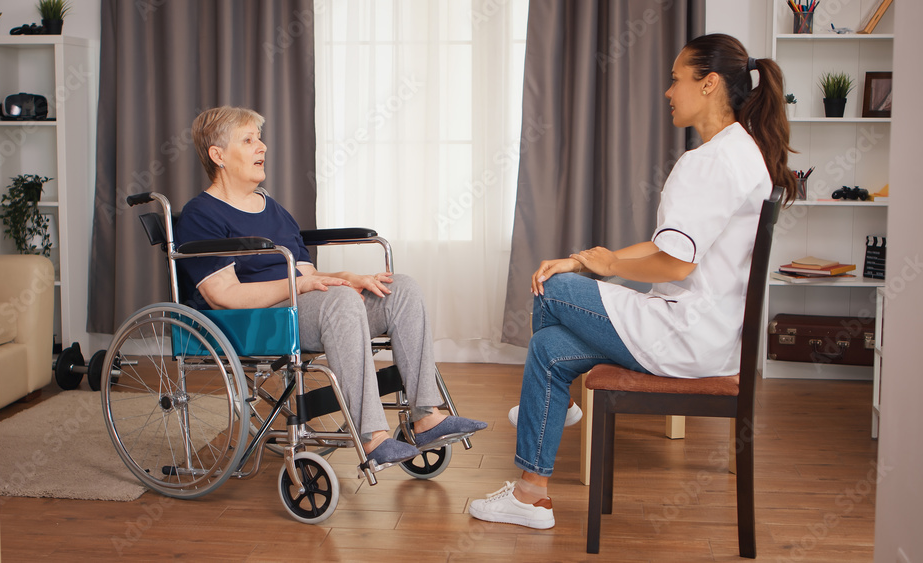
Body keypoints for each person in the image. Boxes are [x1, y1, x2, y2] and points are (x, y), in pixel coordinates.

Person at [469, 33, 795, 529]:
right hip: (711, 334)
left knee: (550, 287)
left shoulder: (708, 161)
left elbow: (675, 265)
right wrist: (588, 259)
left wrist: (606, 267)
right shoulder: (741, 150)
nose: (668, 92)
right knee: (550, 349)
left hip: (685, 335)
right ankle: (530, 495)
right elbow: (670, 246)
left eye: (675, 79)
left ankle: (559, 407)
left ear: (709, 85)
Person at [175, 106, 486, 467]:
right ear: (218, 155)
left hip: (306, 308)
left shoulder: (271, 208)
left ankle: (427, 416)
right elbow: (224, 294)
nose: (261, 147)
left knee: (400, 289)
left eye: (259, 138)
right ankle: (372, 436)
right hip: (256, 319)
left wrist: (345, 278)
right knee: (339, 300)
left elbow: (307, 272)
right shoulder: (202, 215)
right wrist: (305, 285)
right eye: (248, 140)